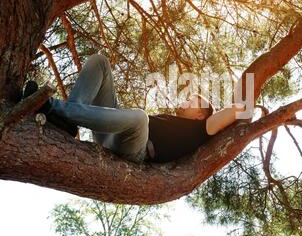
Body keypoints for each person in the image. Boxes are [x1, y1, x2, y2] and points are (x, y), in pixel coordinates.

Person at [23, 54, 246, 163]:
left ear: (200, 115)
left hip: (134, 149)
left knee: (140, 118)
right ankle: (67, 120)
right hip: (110, 133)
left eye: (194, 101)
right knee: (100, 62)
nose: (187, 99)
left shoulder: (201, 129)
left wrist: (252, 109)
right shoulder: (173, 119)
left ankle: (49, 106)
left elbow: (239, 109)